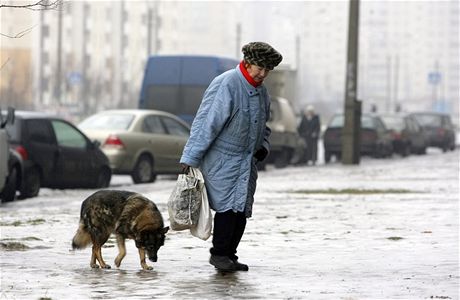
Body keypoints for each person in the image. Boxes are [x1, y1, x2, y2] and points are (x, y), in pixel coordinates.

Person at [179, 42, 282, 272]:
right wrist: (190, 157)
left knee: (241, 210)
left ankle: (230, 255)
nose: (263, 74)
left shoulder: (262, 92)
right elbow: (207, 123)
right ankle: (219, 255)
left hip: (246, 161)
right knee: (227, 209)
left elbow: (264, 126)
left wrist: (263, 146)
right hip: (222, 159)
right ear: (247, 63)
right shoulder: (227, 84)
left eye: (268, 70)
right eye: (259, 68)